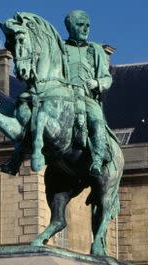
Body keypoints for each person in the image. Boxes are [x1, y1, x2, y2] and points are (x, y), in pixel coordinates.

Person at [63, 10, 113, 177]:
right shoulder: (61, 48)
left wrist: (97, 83)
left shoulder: (95, 49)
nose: (85, 29)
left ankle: (97, 160)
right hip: (63, 96)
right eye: (80, 25)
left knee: (97, 122)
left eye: (87, 26)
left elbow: (107, 78)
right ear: (70, 27)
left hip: (86, 97)